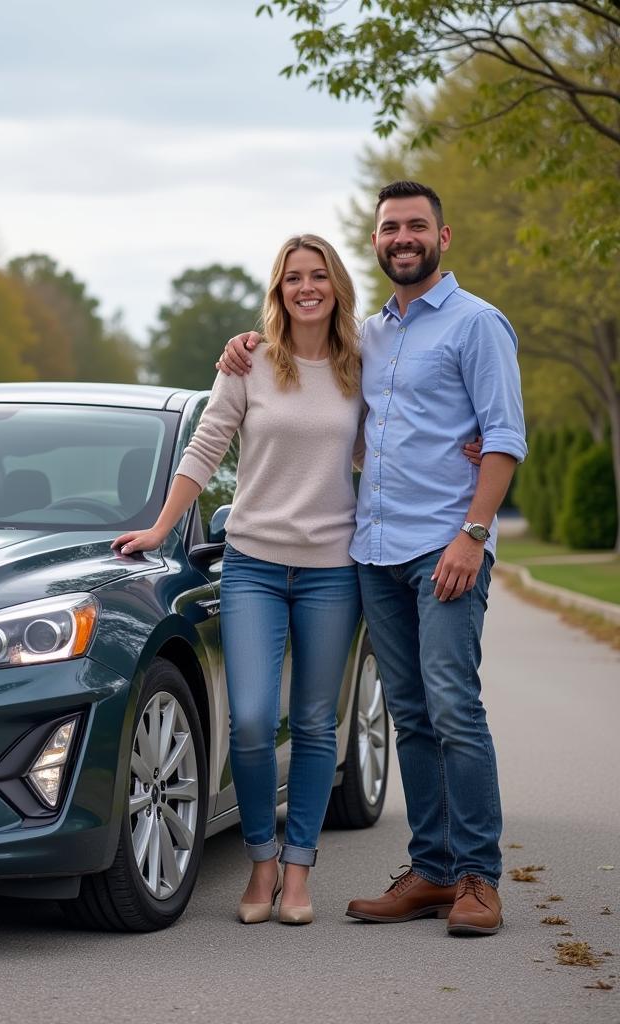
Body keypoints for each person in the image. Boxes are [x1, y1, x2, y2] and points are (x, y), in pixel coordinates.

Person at [217, 181, 527, 936]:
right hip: (373, 551)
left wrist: (474, 533)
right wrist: (244, 345)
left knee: (454, 704)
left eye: (416, 225)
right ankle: (431, 869)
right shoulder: (371, 337)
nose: (403, 237)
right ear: (379, 242)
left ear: (442, 238)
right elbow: (345, 421)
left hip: (444, 548)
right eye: (391, 227)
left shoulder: (477, 323)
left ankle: (479, 880)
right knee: (412, 714)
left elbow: (505, 436)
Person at [114, 234, 366, 926]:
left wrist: (462, 451)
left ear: (336, 285)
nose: (306, 287)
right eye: (293, 278)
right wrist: (162, 528)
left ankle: (297, 870)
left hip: (331, 572)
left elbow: (388, 449)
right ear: (279, 289)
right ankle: (260, 860)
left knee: (315, 723)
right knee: (253, 721)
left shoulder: (360, 366)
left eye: (318, 276)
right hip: (252, 563)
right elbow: (206, 446)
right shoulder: (250, 361)